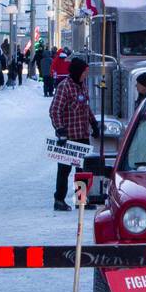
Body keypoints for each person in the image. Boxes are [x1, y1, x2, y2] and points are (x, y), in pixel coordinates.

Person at [49, 56, 99, 211]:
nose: (86, 75)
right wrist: (60, 130)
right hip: (69, 137)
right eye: (84, 72)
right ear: (78, 71)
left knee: (83, 169)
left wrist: (93, 123)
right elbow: (54, 110)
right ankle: (59, 200)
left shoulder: (82, 85)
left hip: (82, 134)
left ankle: (81, 199)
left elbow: (85, 106)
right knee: (64, 169)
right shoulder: (65, 87)